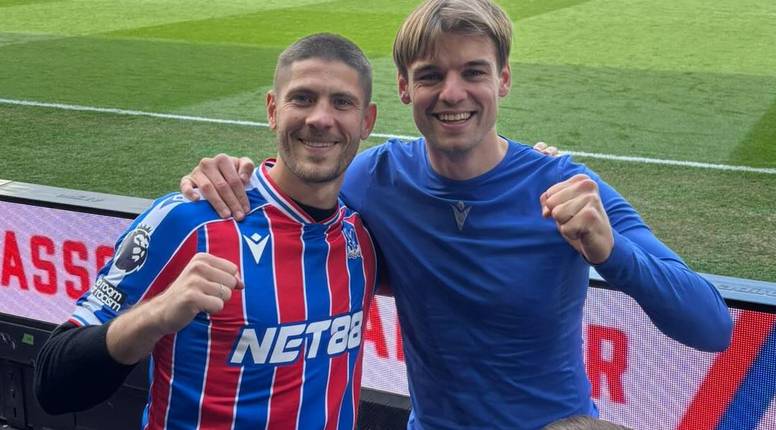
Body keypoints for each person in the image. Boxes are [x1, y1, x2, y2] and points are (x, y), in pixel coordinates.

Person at [181, 1, 733, 428]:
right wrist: (224, 179)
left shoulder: (566, 186)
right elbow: (297, 197)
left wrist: (612, 252)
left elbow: (712, 327)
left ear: (503, 80)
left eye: (473, 72)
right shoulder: (375, 177)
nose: (452, 93)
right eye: (430, 76)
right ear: (404, 88)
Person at [35, 33, 380, 429]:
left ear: (366, 121)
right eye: (302, 98)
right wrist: (157, 314)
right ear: (273, 110)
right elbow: (53, 383)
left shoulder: (362, 237)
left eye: (342, 102)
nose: (320, 118)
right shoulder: (190, 221)